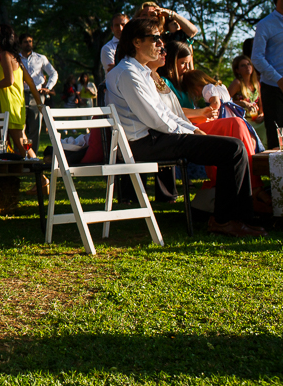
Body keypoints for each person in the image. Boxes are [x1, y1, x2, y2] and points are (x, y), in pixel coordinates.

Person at [106, 17, 263, 237]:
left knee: (233, 147)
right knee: (233, 149)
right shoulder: (127, 74)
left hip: (157, 138)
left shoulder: (141, 72)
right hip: (145, 143)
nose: (161, 44)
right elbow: (155, 119)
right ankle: (225, 221)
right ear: (137, 42)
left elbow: (167, 114)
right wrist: (190, 130)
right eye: (155, 39)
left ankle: (242, 218)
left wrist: (192, 129)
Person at [0, 24, 43, 159]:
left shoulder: (5, 55)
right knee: (21, 140)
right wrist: (39, 103)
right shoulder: (16, 57)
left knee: (20, 142)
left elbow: (9, 80)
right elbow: (30, 82)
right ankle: (36, 173)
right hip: (17, 104)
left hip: (9, 104)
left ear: (2, 39)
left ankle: (41, 176)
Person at [251, 0, 283, 149]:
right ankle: (278, 175)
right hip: (273, 88)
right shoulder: (265, 24)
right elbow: (256, 57)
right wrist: (278, 79)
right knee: (277, 135)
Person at [19, 33, 57, 153]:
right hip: (20, 94)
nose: (28, 44)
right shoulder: (16, 58)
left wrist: (48, 87)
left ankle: (33, 155)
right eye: (25, 41)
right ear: (20, 44)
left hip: (37, 94)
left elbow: (53, 73)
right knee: (20, 126)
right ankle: (21, 153)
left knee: (36, 126)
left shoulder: (41, 58)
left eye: (30, 41)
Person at [229, 54, 266, 145]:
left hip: (256, 118)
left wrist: (262, 114)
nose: (247, 67)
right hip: (243, 118)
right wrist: (242, 103)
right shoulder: (237, 83)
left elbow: (261, 102)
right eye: (243, 65)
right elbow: (225, 101)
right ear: (237, 70)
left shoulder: (256, 83)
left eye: (249, 64)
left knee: (269, 123)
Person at [135, 1, 199, 43]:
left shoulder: (166, 38)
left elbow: (192, 31)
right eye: (144, 15)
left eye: (152, 15)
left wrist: (172, 14)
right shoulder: (133, 37)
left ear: (159, 18)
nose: (148, 18)